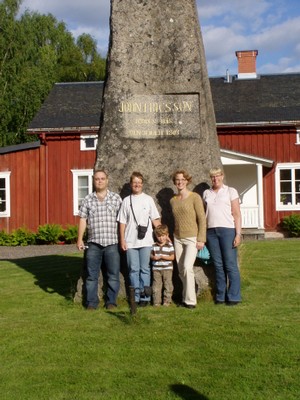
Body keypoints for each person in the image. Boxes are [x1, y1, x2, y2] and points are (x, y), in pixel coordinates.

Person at [76, 169, 122, 310]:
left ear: (107, 180)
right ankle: (91, 302)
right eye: (97, 179)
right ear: (93, 181)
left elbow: (122, 221)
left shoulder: (116, 198)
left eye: (102, 178)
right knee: (91, 276)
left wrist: (123, 239)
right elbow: (83, 220)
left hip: (112, 243)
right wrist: (79, 239)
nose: (100, 181)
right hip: (93, 243)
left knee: (113, 275)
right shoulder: (88, 199)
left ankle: (111, 302)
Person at [118, 172, 161, 306]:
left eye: (139, 182)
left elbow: (155, 219)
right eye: (134, 182)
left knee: (145, 269)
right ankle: (135, 297)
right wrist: (122, 240)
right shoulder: (126, 200)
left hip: (146, 241)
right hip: (130, 241)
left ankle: (145, 297)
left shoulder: (148, 199)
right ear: (131, 184)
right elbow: (122, 222)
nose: (137, 184)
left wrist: (163, 235)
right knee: (133, 270)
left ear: (142, 184)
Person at [203, 167, 242, 306]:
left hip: (228, 230)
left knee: (230, 265)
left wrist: (238, 234)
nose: (215, 179)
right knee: (218, 265)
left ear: (222, 176)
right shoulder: (206, 193)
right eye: (213, 177)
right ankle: (220, 296)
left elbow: (236, 213)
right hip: (211, 232)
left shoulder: (230, 191)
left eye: (218, 176)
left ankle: (234, 296)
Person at [170, 169, 206, 309]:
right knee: (180, 270)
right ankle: (186, 297)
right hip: (177, 238)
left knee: (187, 267)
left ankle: (191, 302)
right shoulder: (172, 200)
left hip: (192, 238)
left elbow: (202, 218)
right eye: (177, 180)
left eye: (183, 180)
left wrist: (201, 238)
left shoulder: (195, 197)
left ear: (187, 181)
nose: (180, 182)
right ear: (175, 182)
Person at [151, 224, 175, 307]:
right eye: (159, 236)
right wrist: (154, 257)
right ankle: (156, 301)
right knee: (156, 285)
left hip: (167, 268)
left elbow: (172, 257)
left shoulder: (170, 245)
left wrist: (163, 257)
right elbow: (151, 256)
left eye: (163, 236)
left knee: (168, 284)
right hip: (156, 269)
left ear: (167, 235)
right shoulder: (154, 245)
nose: (161, 238)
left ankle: (167, 301)